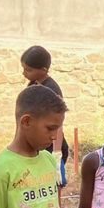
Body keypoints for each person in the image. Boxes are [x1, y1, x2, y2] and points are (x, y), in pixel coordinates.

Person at [21, 45, 69, 187]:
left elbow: (58, 125)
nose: (24, 73)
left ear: (43, 70)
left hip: (50, 146)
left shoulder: (51, 91)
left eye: (28, 70)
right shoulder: (34, 85)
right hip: (38, 144)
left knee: (52, 186)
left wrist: (56, 154)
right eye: (23, 69)